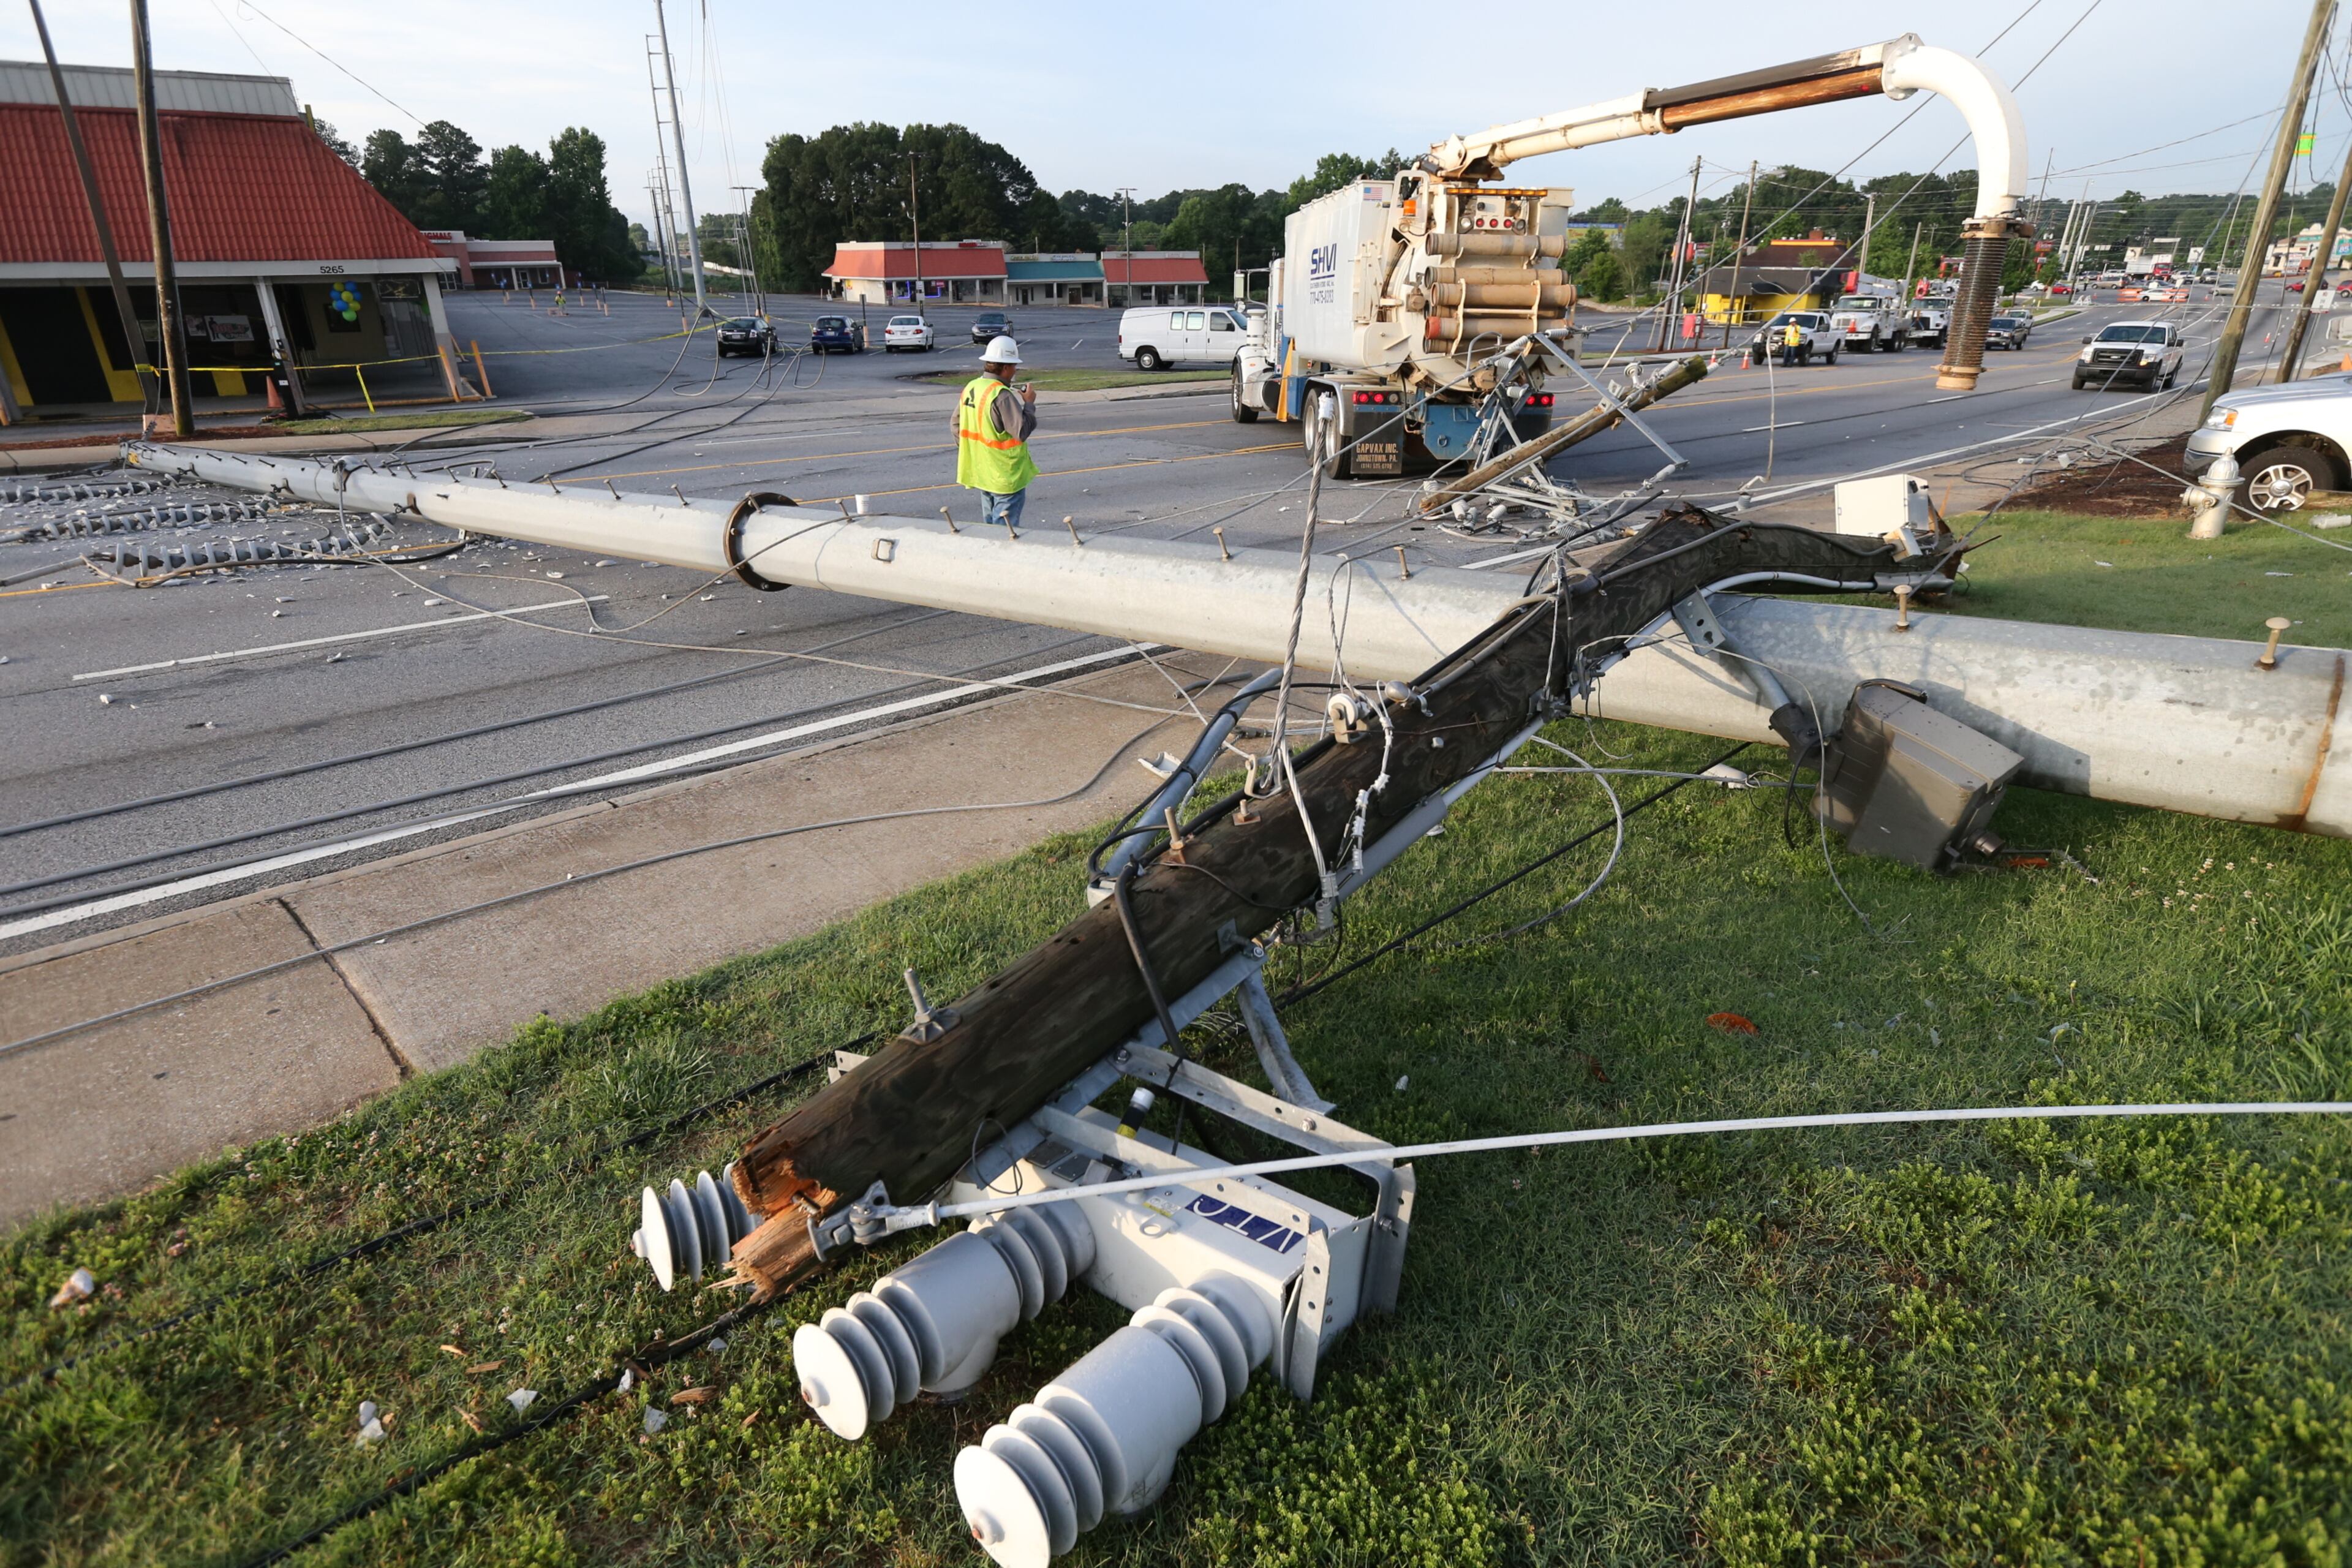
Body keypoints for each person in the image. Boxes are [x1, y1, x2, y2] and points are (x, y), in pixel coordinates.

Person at [956, 335, 1038, 529]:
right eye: (1014, 366)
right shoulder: (1001, 395)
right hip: (1004, 476)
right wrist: (1029, 403)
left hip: (982, 473)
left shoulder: (972, 387)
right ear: (1006, 367)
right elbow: (1021, 431)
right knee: (1004, 532)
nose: (1015, 371)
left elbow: (955, 425)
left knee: (990, 529)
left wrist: (976, 452)